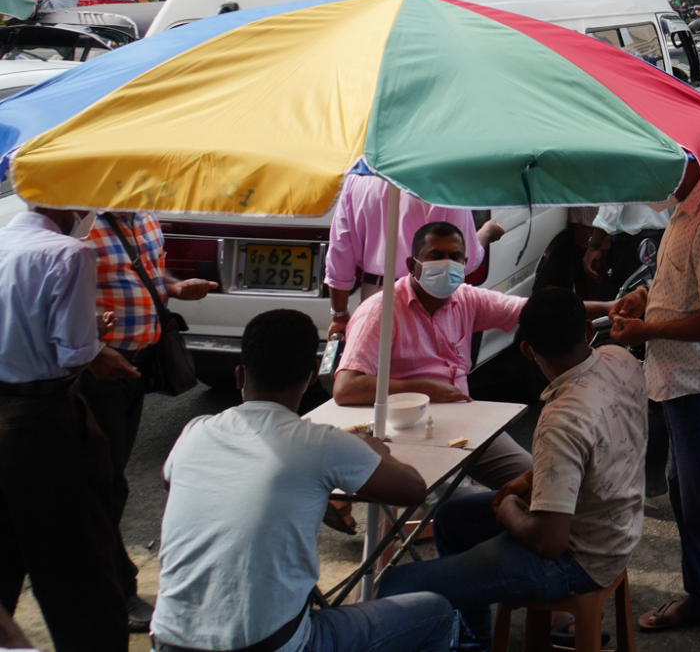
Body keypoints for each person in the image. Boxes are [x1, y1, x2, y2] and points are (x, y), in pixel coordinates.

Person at [154, 309, 454, 652]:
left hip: (167, 641)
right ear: (313, 375)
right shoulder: (322, 443)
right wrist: (377, 451)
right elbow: (414, 488)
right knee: (436, 613)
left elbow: (173, 482)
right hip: (274, 645)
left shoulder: (195, 432)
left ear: (239, 375)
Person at [380, 288, 647, 648]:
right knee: (451, 519)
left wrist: (508, 511)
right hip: (619, 528)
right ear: (587, 330)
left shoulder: (561, 419)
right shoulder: (621, 360)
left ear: (526, 351)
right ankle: (476, 639)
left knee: (395, 585)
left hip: (578, 559)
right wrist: (527, 478)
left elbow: (547, 541)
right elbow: (596, 451)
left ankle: (457, 631)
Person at [608, 157, 700, 636]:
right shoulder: (688, 205)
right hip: (681, 383)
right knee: (687, 500)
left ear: (685, 159)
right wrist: (646, 294)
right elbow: (685, 283)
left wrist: (645, 329)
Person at [0, 204, 139, 652]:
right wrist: (93, 338)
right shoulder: (68, 253)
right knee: (78, 568)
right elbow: (76, 353)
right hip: (43, 425)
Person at [80, 210, 218, 631]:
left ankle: (110, 587)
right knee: (102, 485)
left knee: (108, 480)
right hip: (97, 371)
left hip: (135, 369)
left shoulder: (144, 220)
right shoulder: (83, 228)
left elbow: (150, 275)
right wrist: (89, 341)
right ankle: (113, 592)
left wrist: (175, 287)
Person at [335, 221, 544, 487]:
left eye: (455, 257)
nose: (447, 264)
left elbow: (534, 310)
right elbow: (346, 388)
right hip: (407, 431)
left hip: (464, 421)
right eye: (435, 256)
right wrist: (423, 389)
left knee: (538, 483)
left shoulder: (466, 298)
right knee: (454, 502)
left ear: (465, 262)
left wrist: (607, 307)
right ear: (413, 265)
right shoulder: (380, 311)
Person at [325, 172, 504, 339]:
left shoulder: (358, 177)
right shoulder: (446, 180)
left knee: (374, 370)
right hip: (426, 300)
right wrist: (487, 232)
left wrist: (339, 316)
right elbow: (465, 258)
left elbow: (339, 255)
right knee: (426, 371)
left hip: (372, 297)